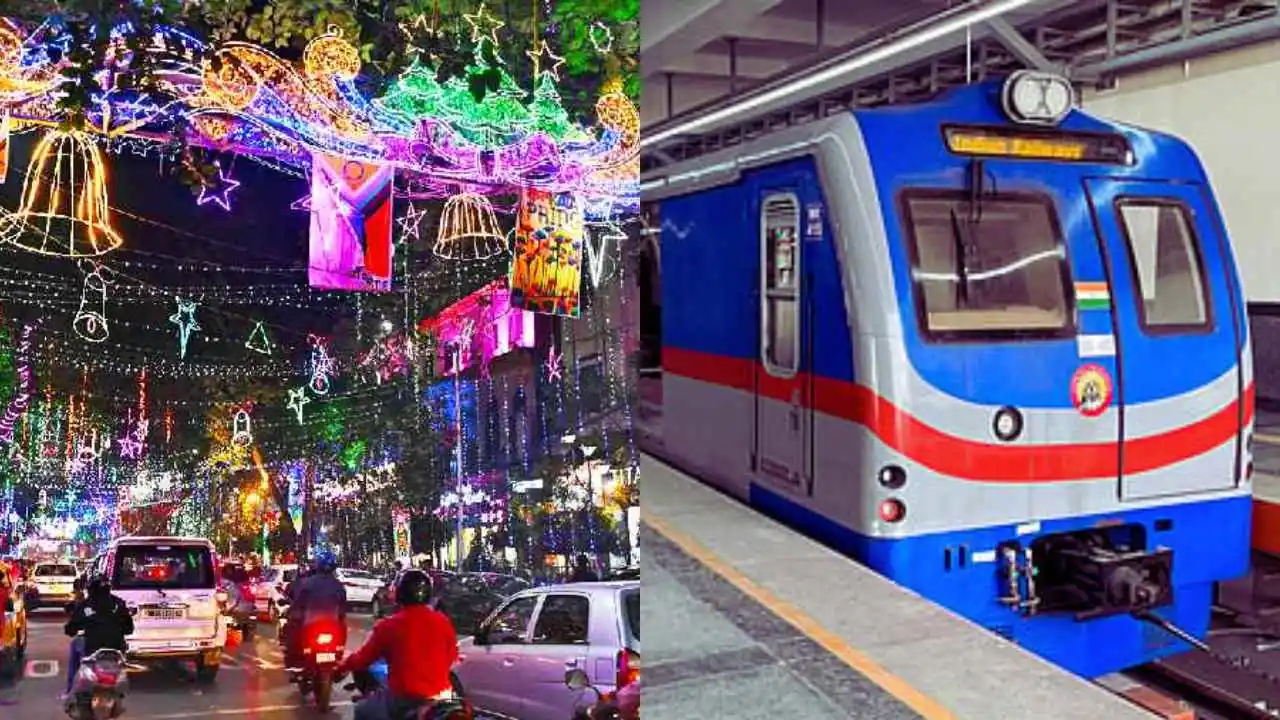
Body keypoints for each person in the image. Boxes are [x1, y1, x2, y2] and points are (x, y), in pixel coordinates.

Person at [336, 569, 459, 720]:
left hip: (405, 698)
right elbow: (452, 656)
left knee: (362, 711)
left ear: (400, 594)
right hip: (443, 699)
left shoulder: (389, 625)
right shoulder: (443, 621)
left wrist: (343, 665)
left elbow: (363, 658)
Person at [62, 577, 133, 699]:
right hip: (116, 647)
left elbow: (70, 630)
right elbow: (129, 629)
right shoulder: (119, 604)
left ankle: (69, 690)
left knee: (74, 644)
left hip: (92, 648)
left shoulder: (85, 606)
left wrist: (73, 628)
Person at [285, 550, 347, 672]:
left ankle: (294, 662)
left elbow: (298, 604)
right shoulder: (338, 586)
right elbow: (343, 607)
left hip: (312, 624)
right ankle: (339, 656)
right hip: (331, 625)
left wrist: (294, 613)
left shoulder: (307, 583)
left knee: (292, 631)